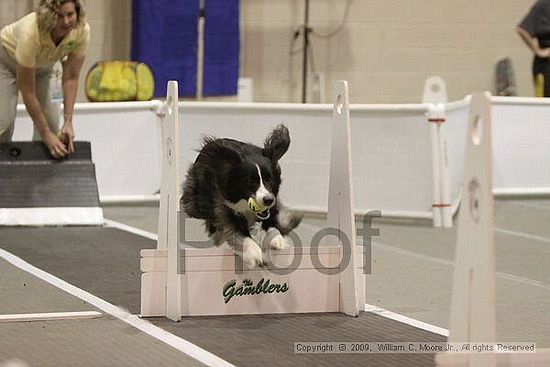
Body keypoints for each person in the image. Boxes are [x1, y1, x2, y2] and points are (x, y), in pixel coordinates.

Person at [0, 0, 90, 158]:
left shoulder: (82, 30)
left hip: (45, 66)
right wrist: (46, 133)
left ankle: (38, 176)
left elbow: (71, 77)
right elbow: (26, 89)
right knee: (3, 124)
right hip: (6, 62)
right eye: (60, 16)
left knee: (53, 126)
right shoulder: (31, 32)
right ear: (50, 16)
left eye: (70, 14)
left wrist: (68, 121)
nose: (66, 21)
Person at [517, 0, 550, 97]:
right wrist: (538, 51)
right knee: (545, 103)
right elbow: (522, 30)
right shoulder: (544, 5)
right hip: (546, 65)